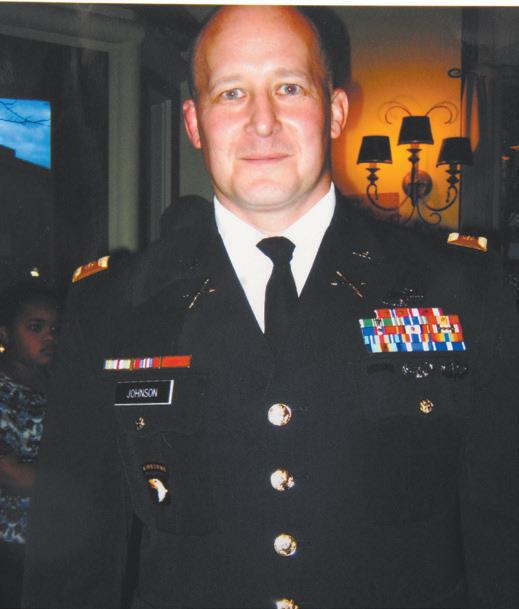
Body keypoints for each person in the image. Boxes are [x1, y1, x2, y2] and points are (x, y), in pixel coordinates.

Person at [22, 6, 519, 609]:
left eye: (289, 88)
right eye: (231, 93)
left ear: (335, 111)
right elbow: (71, 561)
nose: (262, 122)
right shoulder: (111, 306)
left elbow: (504, 538)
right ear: (194, 122)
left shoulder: (461, 291)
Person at [0, 281, 59, 609]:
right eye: (35, 327)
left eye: (54, 328)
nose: (49, 336)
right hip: (10, 549)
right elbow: (9, 475)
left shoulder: (62, 385)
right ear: (5, 334)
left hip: (56, 542)